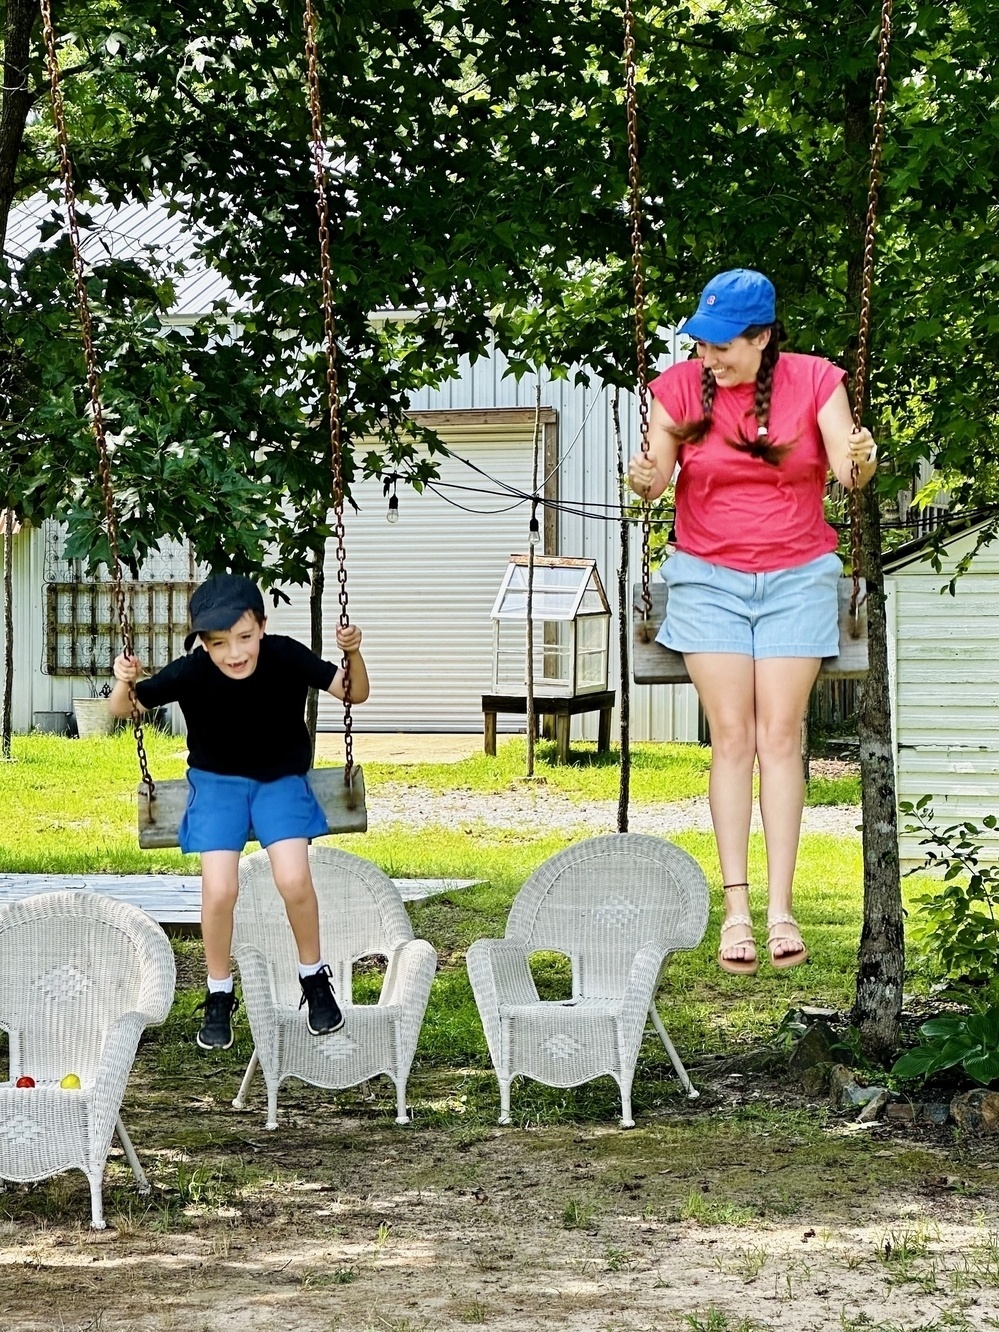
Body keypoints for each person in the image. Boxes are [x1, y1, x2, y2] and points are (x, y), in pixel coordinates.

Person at [628, 269, 877, 975]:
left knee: (780, 733)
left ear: (761, 338)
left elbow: (846, 473)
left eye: (719, 345)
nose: (706, 356)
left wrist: (863, 459)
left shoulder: (816, 381)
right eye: (699, 343)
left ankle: (780, 907)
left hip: (797, 576)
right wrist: (641, 477)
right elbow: (654, 483)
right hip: (706, 578)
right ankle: (735, 908)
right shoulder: (676, 389)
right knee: (731, 735)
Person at [108, 573, 370, 1048]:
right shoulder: (191, 671)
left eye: (245, 638)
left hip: (281, 782)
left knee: (293, 879)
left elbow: (354, 692)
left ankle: (312, 978)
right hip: (216, 786)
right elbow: (124, 708)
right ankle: (218, 991)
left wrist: (352, 651)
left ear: (263, 627)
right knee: (221, 888)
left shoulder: (286, 655)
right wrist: (122, 682)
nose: (235, 652)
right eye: (219, 642)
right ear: (203, 644)